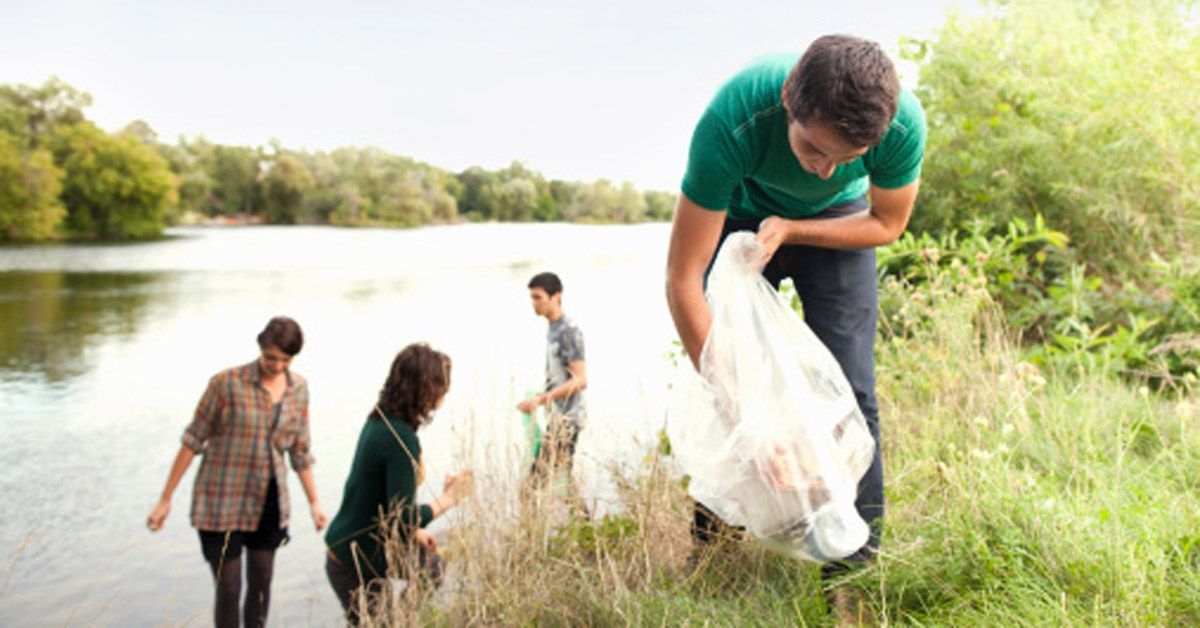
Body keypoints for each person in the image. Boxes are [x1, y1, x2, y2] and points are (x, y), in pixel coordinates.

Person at [665, 34, 926, 621]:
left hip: (839, 223)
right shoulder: (733, 119)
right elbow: (682, 281)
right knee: (726, 378)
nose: (824, 166)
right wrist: (747, 417)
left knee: (854, 393)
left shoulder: (899, 126)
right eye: (812, 147)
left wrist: (794, 227)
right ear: (788, 98)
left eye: (847, 156)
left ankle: (851, 577)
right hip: (737, 209)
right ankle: (712, 552)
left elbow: (886, 223)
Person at [146, 316, 327, 628]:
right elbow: (192, 440)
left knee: (261, 584)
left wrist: (314, 503)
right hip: (221, 500)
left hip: (268, 501)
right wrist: (165, 498)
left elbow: (300, 450)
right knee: (229, 587)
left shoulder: (299, 389)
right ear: (260, 348)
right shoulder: (226, 384)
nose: (277, 365)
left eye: (285, 360)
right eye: (271, 357)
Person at [324, 343, 473, 624]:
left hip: (355, 550)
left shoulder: (381, 419)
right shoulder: (400, 438)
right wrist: (450, 499)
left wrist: (415, 531)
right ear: (427, 389)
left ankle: (403, 621)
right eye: (443, 386)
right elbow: (400, 519)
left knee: (432, 568)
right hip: (354, 562)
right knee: (428, 573)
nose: (445, 393)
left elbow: (386, 502)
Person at [516, 272, 588, 499]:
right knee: (564, 482)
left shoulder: (568, 330)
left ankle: (529, 533)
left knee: (532, 487)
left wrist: (541, 399)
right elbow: (561, 379)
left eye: (538, 297)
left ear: (556, 296)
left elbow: (580, 380)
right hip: (558, 418)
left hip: (568, 420)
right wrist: (538, 398)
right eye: (532, 298)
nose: (534, 304)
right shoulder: (553, 328)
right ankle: (584, 529)